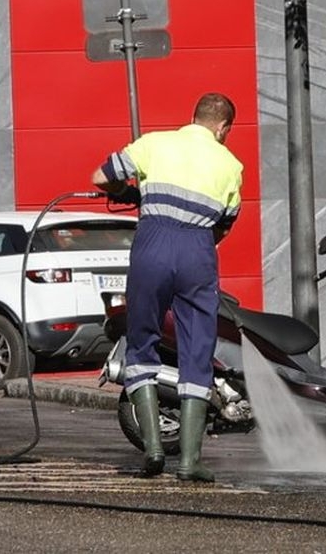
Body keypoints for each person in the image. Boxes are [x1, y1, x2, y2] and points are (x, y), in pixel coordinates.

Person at [91, 92, 244, 482]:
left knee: (142, 341)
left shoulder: (154, 143)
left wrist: (130, 193)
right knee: (198, 352)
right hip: (198, 252)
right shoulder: (231, 165)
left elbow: (101, 177)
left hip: (152, 245)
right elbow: (225, 224)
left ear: (192, 117)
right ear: (223, 127)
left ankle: (154, 448)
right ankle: (190, 462)